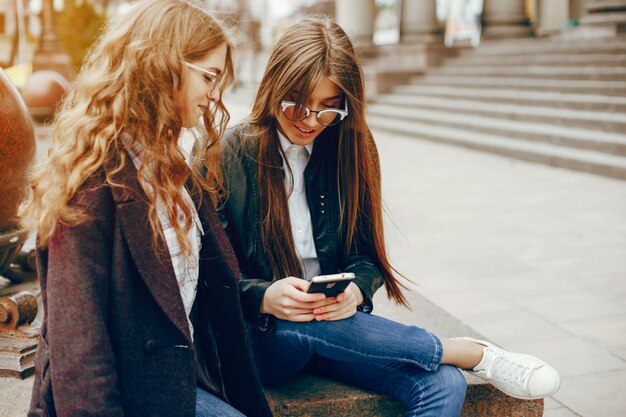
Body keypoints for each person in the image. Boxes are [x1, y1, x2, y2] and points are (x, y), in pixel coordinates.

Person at [219, 16, 561, 417]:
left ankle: (453, 359)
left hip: (341, 331)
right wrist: (264, 297)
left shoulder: (350, 146)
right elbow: (211, 277)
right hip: (264, 340)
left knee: (442, 384)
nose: (310, 120)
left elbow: (366, 255)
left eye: (328, 110)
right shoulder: (229, 152)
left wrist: (356, 291)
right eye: (295, 102)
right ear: (272, 85)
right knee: (299, 320)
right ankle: (466, 352)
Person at [20, 1, 272, 416]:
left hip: (179, 384)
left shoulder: (174, 163)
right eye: (208, 77)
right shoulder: (89, 182)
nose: (215, 94)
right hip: (125, 400)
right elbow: (79, 353)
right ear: (160, 66)